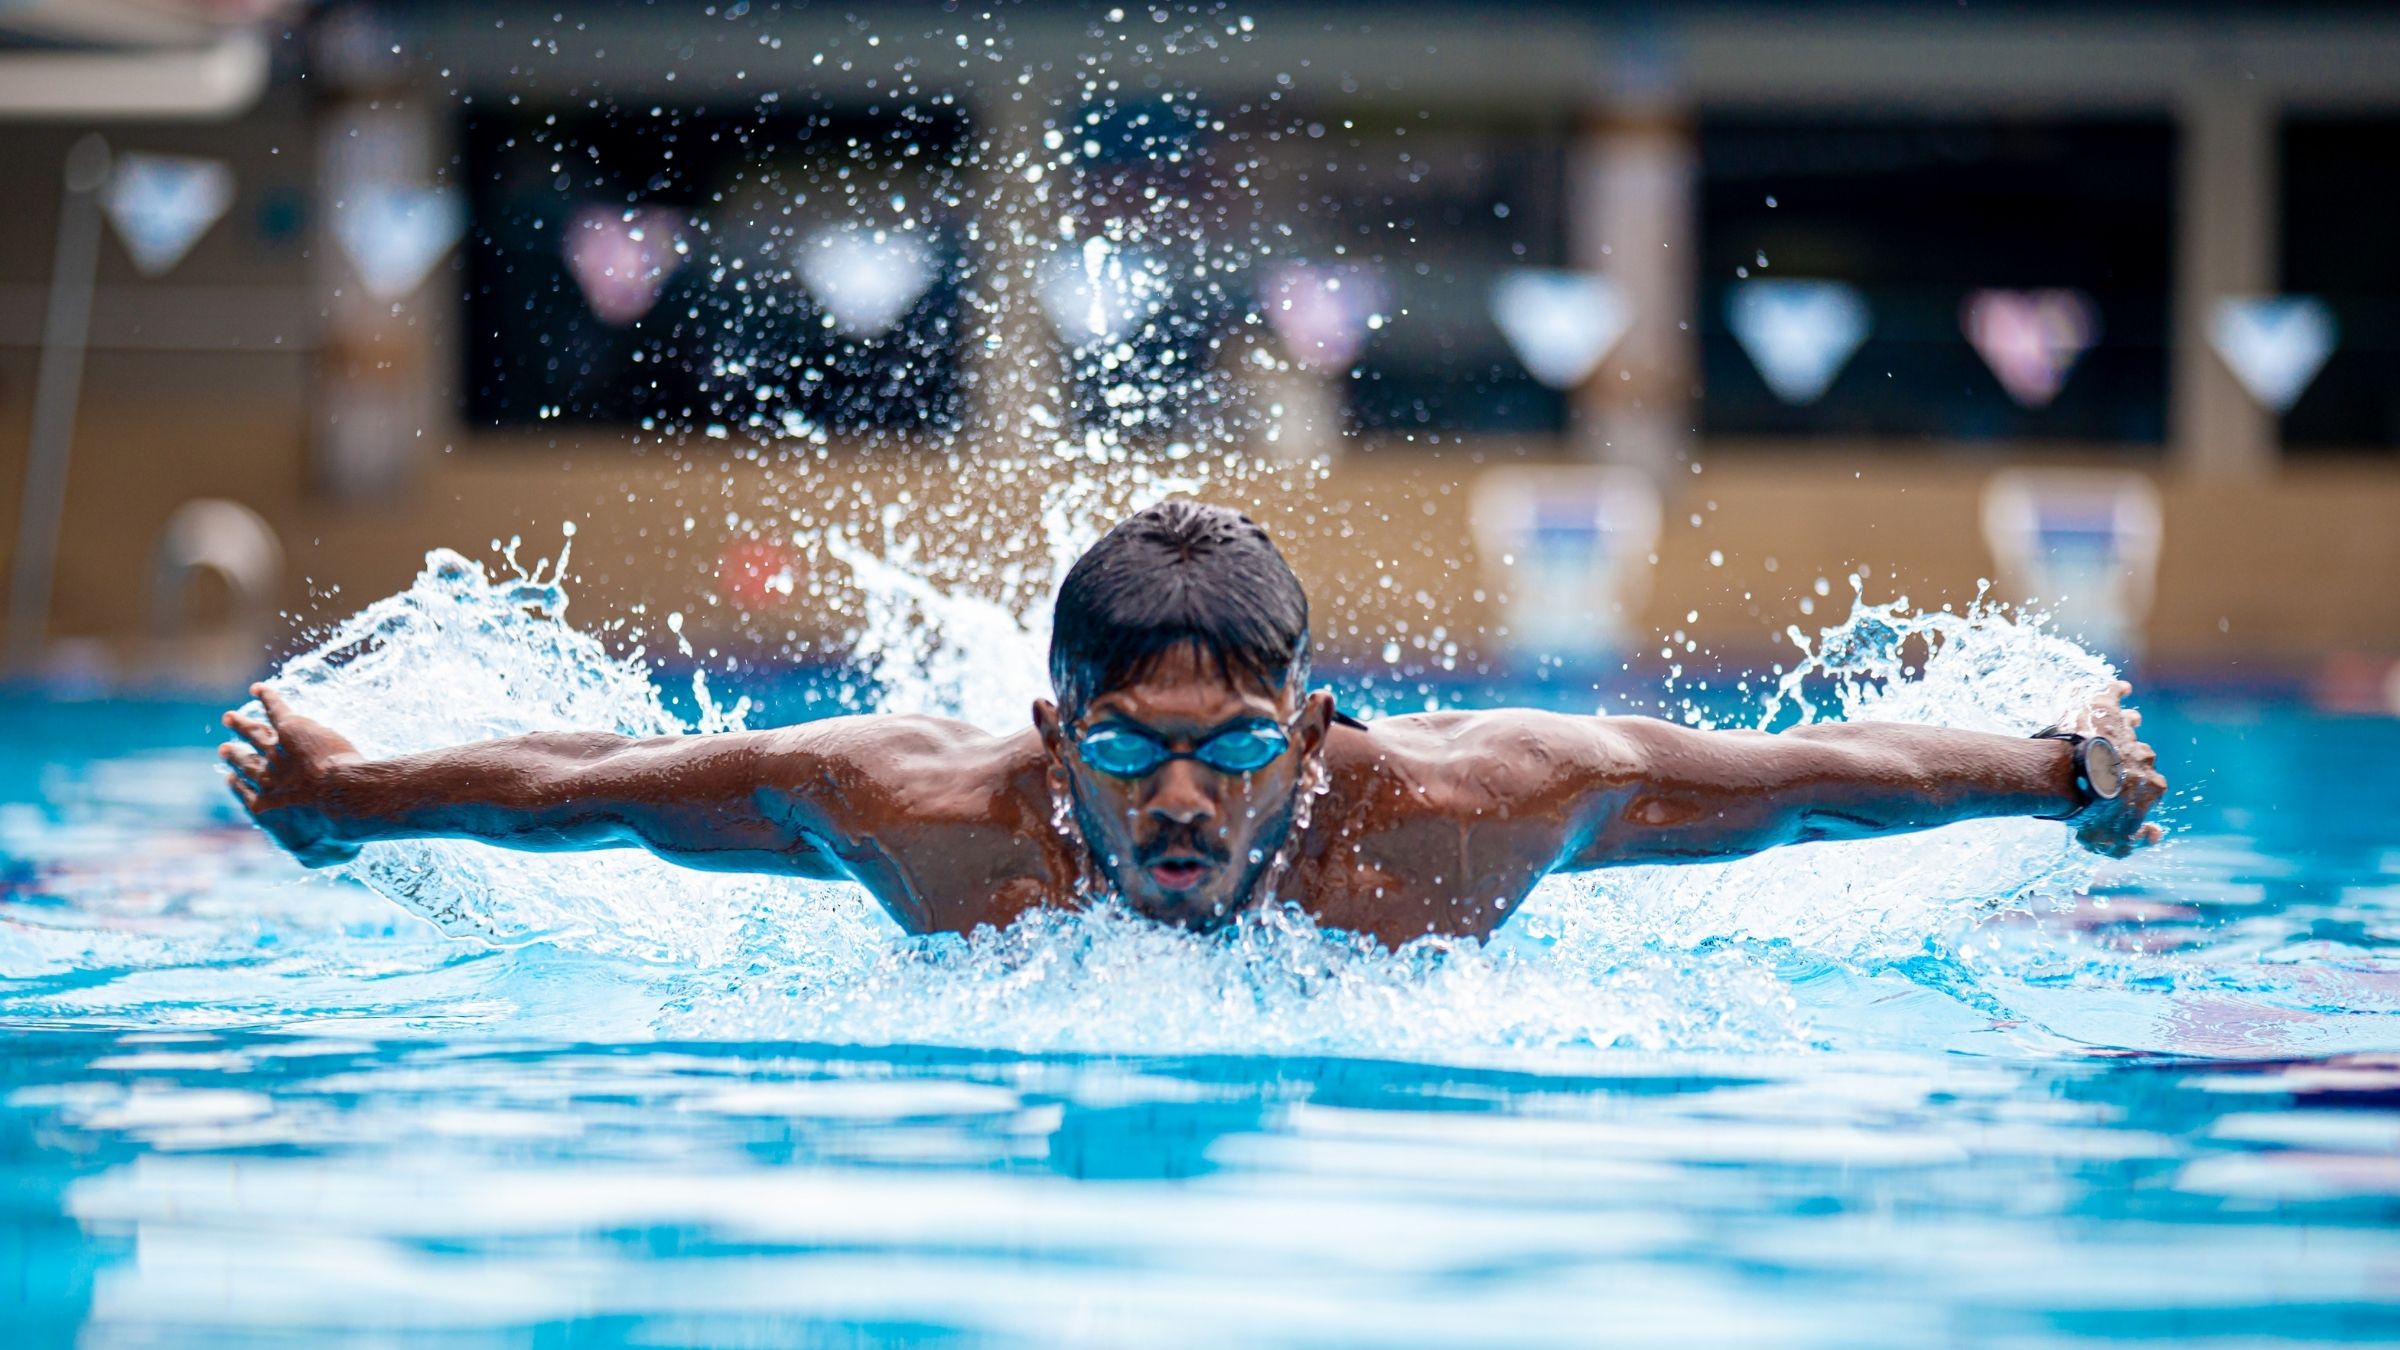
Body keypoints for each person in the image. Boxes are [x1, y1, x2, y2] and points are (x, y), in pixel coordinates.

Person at [222, 501, 2165, 944]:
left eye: (1231, 754)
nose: (1178, 801)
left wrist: (2050, 774)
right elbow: (599, 790)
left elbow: (1814, 784)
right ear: (1047, 735)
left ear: (1308, 736)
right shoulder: (914, 809)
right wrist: (348, 800)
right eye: (1128, 749)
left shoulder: (1472, 815)